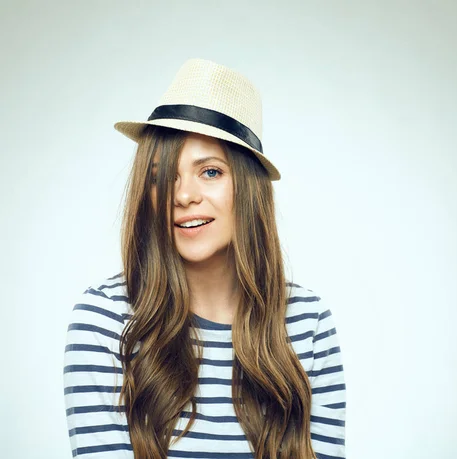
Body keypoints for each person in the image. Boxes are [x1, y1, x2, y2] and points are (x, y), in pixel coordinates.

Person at [62, 58, 346, 459]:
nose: (183, 196)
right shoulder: (106, 319)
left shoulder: (307, 321)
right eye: (162, 177)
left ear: (248, 187)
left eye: (210, 172)